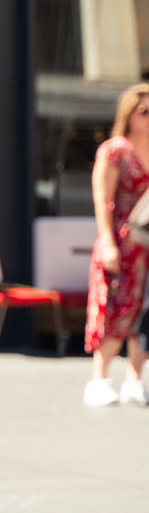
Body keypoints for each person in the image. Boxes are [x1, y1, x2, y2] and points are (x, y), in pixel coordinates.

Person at [84, 83, 149, 407]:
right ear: (129, 114)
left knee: (146, 313)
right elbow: (101, 199)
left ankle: (135, 379)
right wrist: (107, 241)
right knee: (115, 307)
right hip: (123, 243)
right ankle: (99, 378)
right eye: (144, 111)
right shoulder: (115, 150)